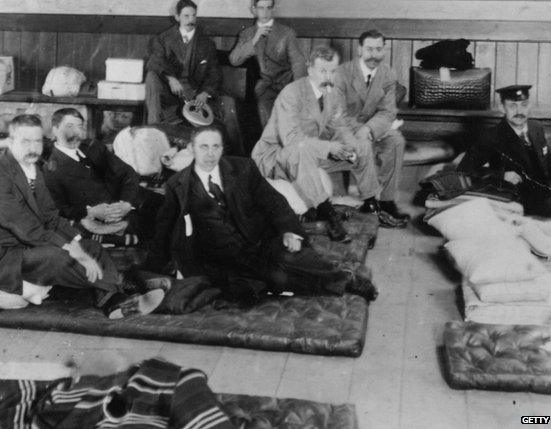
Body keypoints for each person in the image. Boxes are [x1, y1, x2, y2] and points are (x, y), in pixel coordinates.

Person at [0, 114, 163, 318]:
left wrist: (76, 241)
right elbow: (28, 229)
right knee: (57, 257)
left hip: (25, 246)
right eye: (25, 141)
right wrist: (72, 250)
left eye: (37, 141)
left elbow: (51, 217)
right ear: (10, 142)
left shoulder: (31, 169)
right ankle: (124, 284)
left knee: (90, 246)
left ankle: (111, 300)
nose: (33, 148)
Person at [151, 126, 377, 303]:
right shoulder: (177, 185)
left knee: (292, 257)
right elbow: (163, 229)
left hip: (261, 240)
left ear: (222, 148)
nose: (210, 154)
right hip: (223, 258)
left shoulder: (243, 169)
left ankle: (346, 279)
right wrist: (152, 269)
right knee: (278, 280)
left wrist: (290, 231)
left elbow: (274, 203)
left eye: (215, 147)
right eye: (203, 147)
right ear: (191, 149)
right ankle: (330, 282)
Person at [250, 46, 383, 242]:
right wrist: (329, 148)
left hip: (310, 155)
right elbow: (292, 140)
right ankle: (326, 212)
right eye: (322, 71)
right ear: (309, 68)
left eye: (332, 71)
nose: (328, 76)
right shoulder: (291, 93)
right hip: (277, 156)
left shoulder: (333, 93)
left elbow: (339, 126)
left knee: (362, 145)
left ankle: (371, 203)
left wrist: (351, 147)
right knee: (302, 150)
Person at [457, 85, 551, 218]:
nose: (519, 111)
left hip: (550, 186)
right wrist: (500, 175)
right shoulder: (492, 137)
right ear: (502, 107)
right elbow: (463, 171)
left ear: (529, 105)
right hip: (528, 200)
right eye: (513, 106)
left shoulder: (535, 127)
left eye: (524, 105)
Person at [42, 108, 162, 241]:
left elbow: (128, 173)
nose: (76, 132)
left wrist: (127, 202)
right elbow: (59, 210)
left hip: (129, 199)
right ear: (55, 130)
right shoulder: (50, 169)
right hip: (103, 217)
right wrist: (91, 212)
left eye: (80, 126)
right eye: (70, 126)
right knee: (162, 228)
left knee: (172, 206)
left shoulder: (93, 147)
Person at [334, 30, 409, 227]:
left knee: (396, 140)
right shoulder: (342, 73)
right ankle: (369, 201)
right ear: (359, 50)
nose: (373, 54)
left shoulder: (387, 73)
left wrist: (368, 129)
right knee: (363, 144)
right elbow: (338, 114)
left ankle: (386, 201)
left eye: (378, 49)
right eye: (369, 49)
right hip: (342, 129)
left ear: (384, 51)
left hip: (371, 128)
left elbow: (388, 112)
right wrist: (362, 131)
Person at [144, 0, 240, 153]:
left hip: (196, 93)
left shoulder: (206, 43)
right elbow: (155, 61)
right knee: (151, 77)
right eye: (186, 16)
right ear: (177, 17)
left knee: (228, 104)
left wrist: (205, 93)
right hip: (171, 93)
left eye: (193, 15)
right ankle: (152, 130)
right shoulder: (163, 39)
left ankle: (236, 154)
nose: (191, 20)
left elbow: (215, 73)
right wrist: (171, 78)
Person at [228, 0, 308, 127]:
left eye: (268, 8)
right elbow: (234, 60)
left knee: (290, 121)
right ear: (253, 10)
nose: (265, 12)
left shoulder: (287, 33)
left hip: (287, 85)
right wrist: (254, 39)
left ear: (273, 9)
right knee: (267, 120)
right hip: (264, 88)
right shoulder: (247, 34)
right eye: (260, 8)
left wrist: (297, 91)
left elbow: (298, 63)